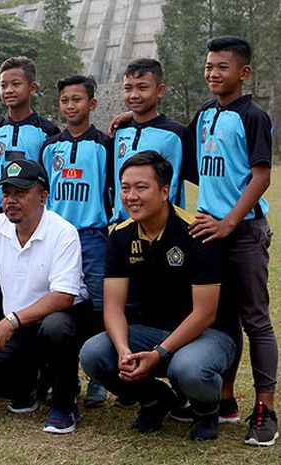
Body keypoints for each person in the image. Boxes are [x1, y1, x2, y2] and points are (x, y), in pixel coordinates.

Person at [80, 151, 237, 441]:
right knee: (94, 353)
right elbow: (113, 307)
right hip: (151, 331)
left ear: (165, 191)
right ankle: (156, 399)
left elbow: (205, 314)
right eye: (125, 188)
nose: (131, 196)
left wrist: (159, 354)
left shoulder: (196, 231)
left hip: (208, 334)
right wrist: (124, 349)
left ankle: (205, 409)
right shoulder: (120, 237)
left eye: (141, 187)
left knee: (186, 368)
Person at [188, 36, 277, 447]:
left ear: (242, 73)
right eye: (208, 66)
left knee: (254, 319)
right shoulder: (206, 114)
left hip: (242, 232)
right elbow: (178, 148)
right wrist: (124, 125)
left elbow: (261, 176)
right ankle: (225, 399)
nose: (212, 74)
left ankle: (265, 408)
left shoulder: (252, 115)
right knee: (220, 320)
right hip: (210, 231)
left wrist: (229, 222)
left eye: (222, 67)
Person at [0, 159, 90, 435]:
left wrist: (10, 322)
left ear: (43, 196)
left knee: (57, 327)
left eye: (21, 193)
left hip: (53, 322)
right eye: (6, 193)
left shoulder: (62, 232)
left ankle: (64, 405)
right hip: (17, 328)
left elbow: (64, 296)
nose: (10, 200)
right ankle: (32, 383)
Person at [40, 74, 113, 407]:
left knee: (99, 307)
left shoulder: (104, 145)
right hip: (55, 239)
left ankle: (97, 376)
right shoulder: (50, 146)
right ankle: (55, 373)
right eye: (65, 100)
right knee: (54, 305)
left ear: (92, 104)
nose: (71, 106)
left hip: (92, 237)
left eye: (78, 100)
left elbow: (112, 190)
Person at [0, 56, 59, 322]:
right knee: (0, 281)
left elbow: (49, 180)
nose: (9, 90)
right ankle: (4, 338)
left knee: (34, 279)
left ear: (32, 88)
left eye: (16, 83)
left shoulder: (47, 131)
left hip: (32, 216)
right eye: (4, 85)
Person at [110, 59, 195, 223]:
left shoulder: (176, 134)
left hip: (165, 227)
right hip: (125, 228)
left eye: (142, 88)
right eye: (128, 88)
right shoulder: (119, 131)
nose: (134, 95)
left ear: (160, 90)